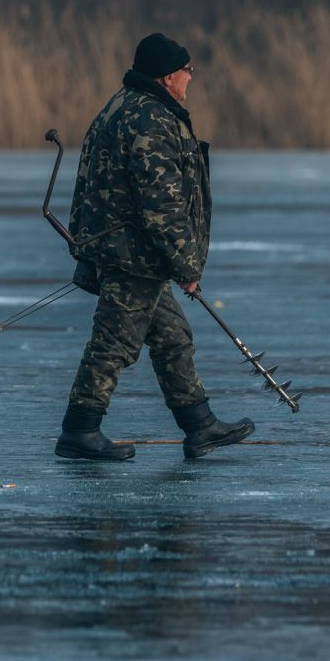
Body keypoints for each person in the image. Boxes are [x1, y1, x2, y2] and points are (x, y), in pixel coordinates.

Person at [56, 33, 255, 461]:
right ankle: (79, 430)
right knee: (113, 343)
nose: (190, 79)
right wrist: (186, 264)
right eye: (189, 71)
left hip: (125, 250)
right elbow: (160, 204)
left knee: (172, 338)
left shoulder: (122, 106)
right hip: (133, 256)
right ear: (169, 77)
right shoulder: (150, 120)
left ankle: (199, 425)